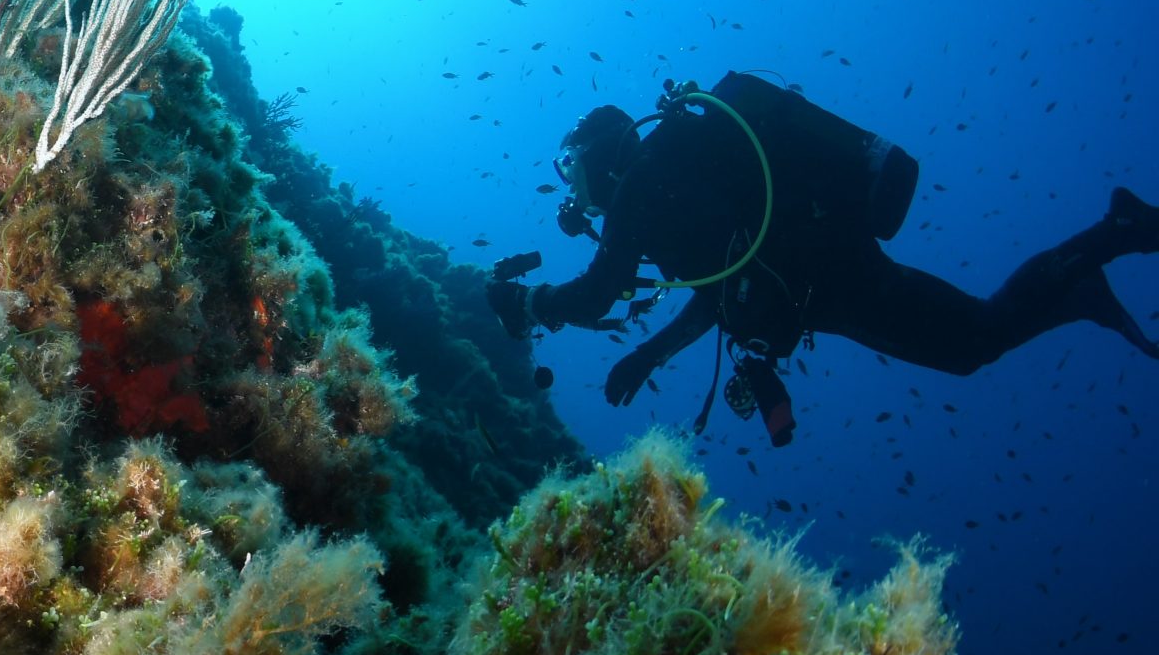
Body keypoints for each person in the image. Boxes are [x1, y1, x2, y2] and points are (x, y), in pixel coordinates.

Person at [486, 73, 1159, 445]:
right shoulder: (674, 176)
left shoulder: (641, 184)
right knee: (969, 345)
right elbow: (719, 287)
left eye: (573, 167)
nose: (575, 190)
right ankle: (1082, 287)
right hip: (824, 268)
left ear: (603, 151)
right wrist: (650, 355)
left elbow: (601, 291)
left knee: (974, 339)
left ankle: (1111, 234)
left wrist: (529, 301)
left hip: (830, 277)